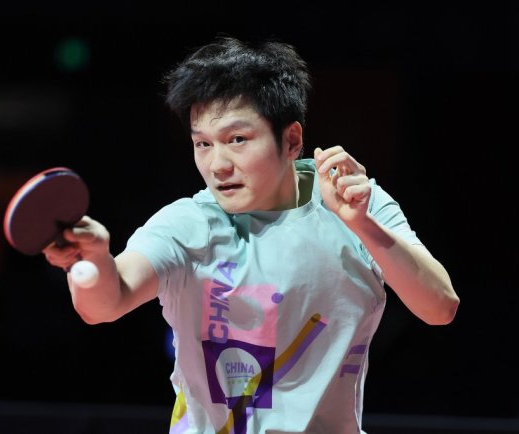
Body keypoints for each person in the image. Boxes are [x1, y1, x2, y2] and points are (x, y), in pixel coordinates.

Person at [43, 36, 460, 434]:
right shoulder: (191, 223)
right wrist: (94, 259)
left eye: (237, 140)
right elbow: (105, 303)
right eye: (203, 144)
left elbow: (440, 307)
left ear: (291, 140)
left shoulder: (355, 202)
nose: (218, 164)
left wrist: (361, 224)